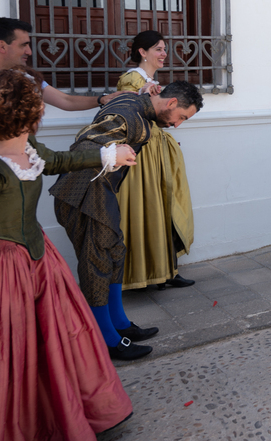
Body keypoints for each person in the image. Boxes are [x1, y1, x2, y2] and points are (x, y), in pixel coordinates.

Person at [0, 68, 137, 439]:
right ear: (28, 112)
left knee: (49, 346)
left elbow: (56, 161)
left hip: (37, 260)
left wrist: (106, 154)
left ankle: (50, 415)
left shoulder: (26, 144)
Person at [49, 80, 203, 360]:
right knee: (97, 262)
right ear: (170, 103)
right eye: (181, 117)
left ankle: (120, 325)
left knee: (115, 254)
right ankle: (107, 340)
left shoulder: (137, 106)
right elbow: (87, 142)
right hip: (82, 193)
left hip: (98, 191)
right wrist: (109, 153)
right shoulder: (127, 115)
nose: (178, 124)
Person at [0, 17, 125, 187]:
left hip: (12, 176)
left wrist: (102, 99)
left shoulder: (23, 76)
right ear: (2, 46)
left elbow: (65, 100)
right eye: (24, 45)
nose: (29, 52)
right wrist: (41, 154)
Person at [116, 31, 196, 290]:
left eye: (164, 49)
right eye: (158, 49)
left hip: (154, 153)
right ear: (142, 51)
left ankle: (165, 269)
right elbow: (128, 108)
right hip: (143, 156)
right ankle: (152, 273)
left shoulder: (149, 80)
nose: (163, 54)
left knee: (163, 209)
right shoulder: (132, 78)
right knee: (149, 209)